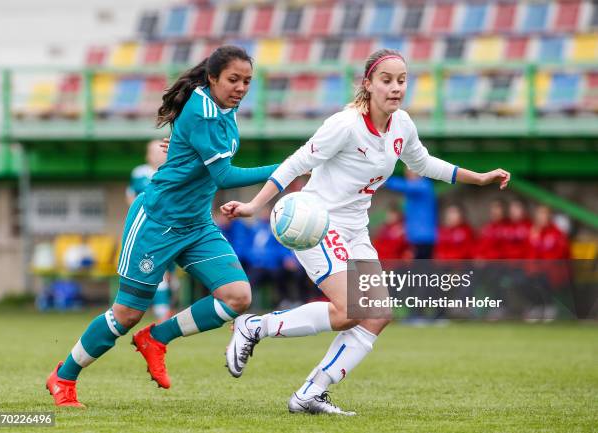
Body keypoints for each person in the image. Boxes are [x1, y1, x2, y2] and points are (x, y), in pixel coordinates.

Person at [220, 48, 510, 415]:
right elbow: (296, 163)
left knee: (377, 313)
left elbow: (424, 162)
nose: (395, 88)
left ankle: (311, 391)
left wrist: (478, 177)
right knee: (351, 311)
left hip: (356, 230)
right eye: (386, 80)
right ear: (368, 84)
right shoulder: (345, 124)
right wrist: (253, 206)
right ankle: (254, 327)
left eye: (402, 81)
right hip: (319, 224)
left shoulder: (402, 125)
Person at [46, 45, 280, 407]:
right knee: (126, 314)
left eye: (247, 81)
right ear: (213, 77)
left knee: (238, 297)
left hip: (196, 223)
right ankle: (63, 377)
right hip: (156, 222)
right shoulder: (203, 110)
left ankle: (156, 338)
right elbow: (223, 174)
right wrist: (288, 168)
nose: (241, 87)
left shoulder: (224, 109)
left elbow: (202, 160)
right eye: (233, 79)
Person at [126, 139, 176, 321]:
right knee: (156, 271)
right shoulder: (139, 173)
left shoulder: (173, 172)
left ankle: (166, 309)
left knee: (170, 277)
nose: (158, 155)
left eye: (161, 151)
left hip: (171, 231)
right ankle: (162, 314)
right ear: (148, 155)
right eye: (154, 152)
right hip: (148, 231)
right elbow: (131, 197)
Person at [385, 167, 437, 258]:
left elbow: (404, 186)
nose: (407, 172)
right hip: (413, 238)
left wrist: (383, 180)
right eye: (406, 170)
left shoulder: (424, 185)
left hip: (424, 239)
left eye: (410, 169)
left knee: (422, 270)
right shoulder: (413, 192)